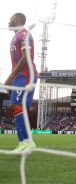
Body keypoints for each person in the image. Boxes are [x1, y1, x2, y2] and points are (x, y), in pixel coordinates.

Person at [5, 13, 37, 153]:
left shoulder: (24, 34)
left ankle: (22, 143)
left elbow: (26, 57)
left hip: (24, 75)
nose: (8, 21)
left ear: (17, 20)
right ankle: (29, 142)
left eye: (11, 19)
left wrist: (11, 76)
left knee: (16, 105)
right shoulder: (16, 36)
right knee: (20, 107)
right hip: (22, 76)